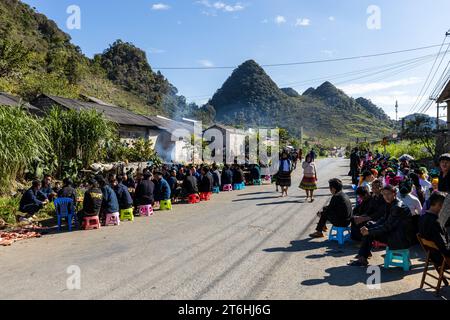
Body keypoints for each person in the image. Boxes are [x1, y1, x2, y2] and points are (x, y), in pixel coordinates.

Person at [349, 185, 415, 267]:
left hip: (401, 238)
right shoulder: (390, 203)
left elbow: (387, 226)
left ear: (394, 194)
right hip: (395, 233)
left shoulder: (397, 207)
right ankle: (364, 254)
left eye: (388, 194)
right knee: (369, 225)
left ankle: (363, 256)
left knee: (369, 232)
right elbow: (383, 219)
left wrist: (369, 231)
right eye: (384, 194)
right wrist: (369, 226)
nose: (386, 196)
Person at [419, 192, 450, 269]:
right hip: (442, 259)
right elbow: (444, 248)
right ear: (439, 205)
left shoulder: (422, 218)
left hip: (432, 255)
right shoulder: (435, 222)